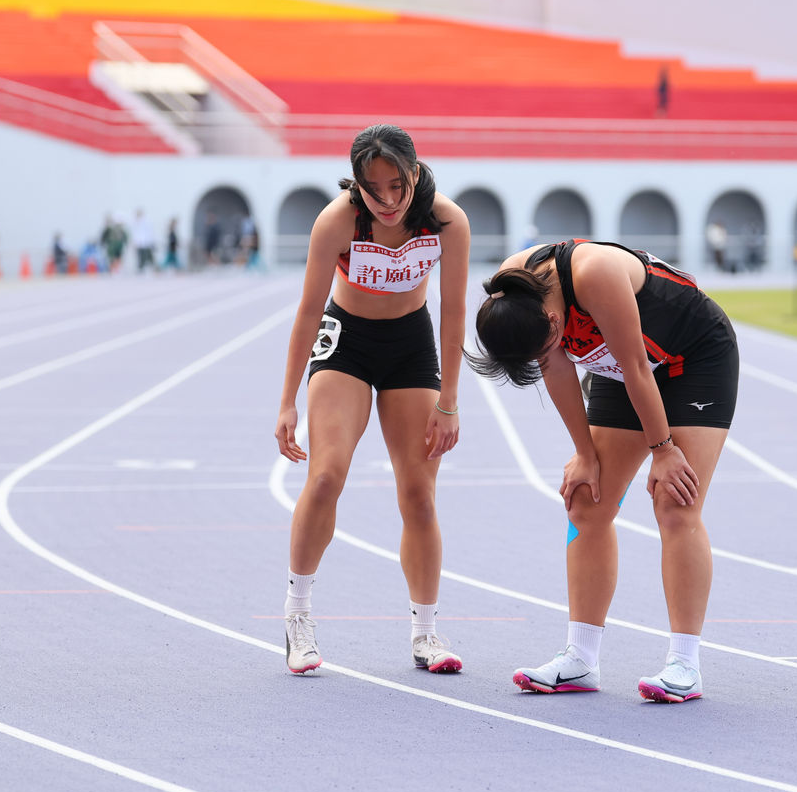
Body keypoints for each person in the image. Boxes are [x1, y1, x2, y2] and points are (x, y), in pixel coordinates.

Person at [467, 239, 739, 704]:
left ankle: (684, 664)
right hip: (620, 367)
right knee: (585, 500)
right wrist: (584, 453)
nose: (546, 355)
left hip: (692, 358)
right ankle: (580, 658)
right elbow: (556, 367)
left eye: (546, 346)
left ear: (554, 321)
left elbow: (638, 369)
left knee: (675, 500)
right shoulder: (512, 293)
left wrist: (664, 450)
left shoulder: (594, 273)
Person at [274, 124, 471, 676]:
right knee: (325, 475)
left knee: (419, 493)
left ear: (415, 172)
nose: (386, 200)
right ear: (356, 184)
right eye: (372, 188)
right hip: (347, 343)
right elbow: (308, 312)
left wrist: (449, 400)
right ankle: (297, 615)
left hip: (411, 345)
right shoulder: (337, 221)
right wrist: (287, 401)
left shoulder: (447, 221)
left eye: (396, 186)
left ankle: (426, 632)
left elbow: (454, 311)